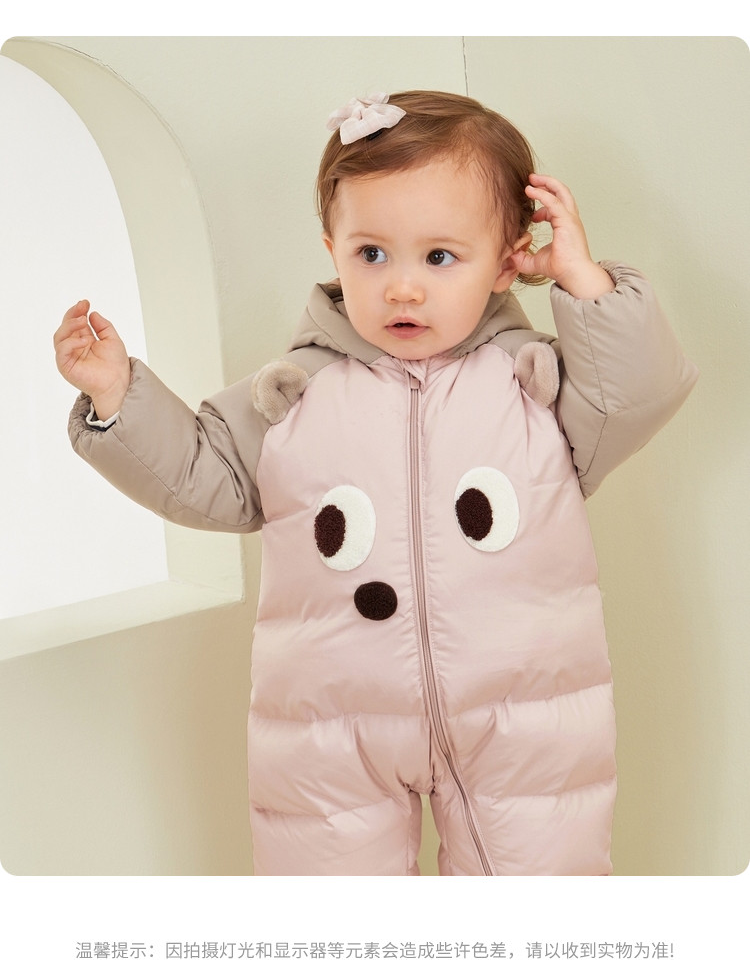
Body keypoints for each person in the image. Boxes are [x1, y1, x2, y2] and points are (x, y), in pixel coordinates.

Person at [53, 90, 698, 875]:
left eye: (439, 257)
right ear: (333, 250)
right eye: (372, 254)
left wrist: (583, 279)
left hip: (524, 720)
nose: (402, 287)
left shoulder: (536, 384)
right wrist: (116, 394)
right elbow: (202, 473)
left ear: (508, 260)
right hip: (327, 729)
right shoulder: (293, 392)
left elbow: (639, 393)